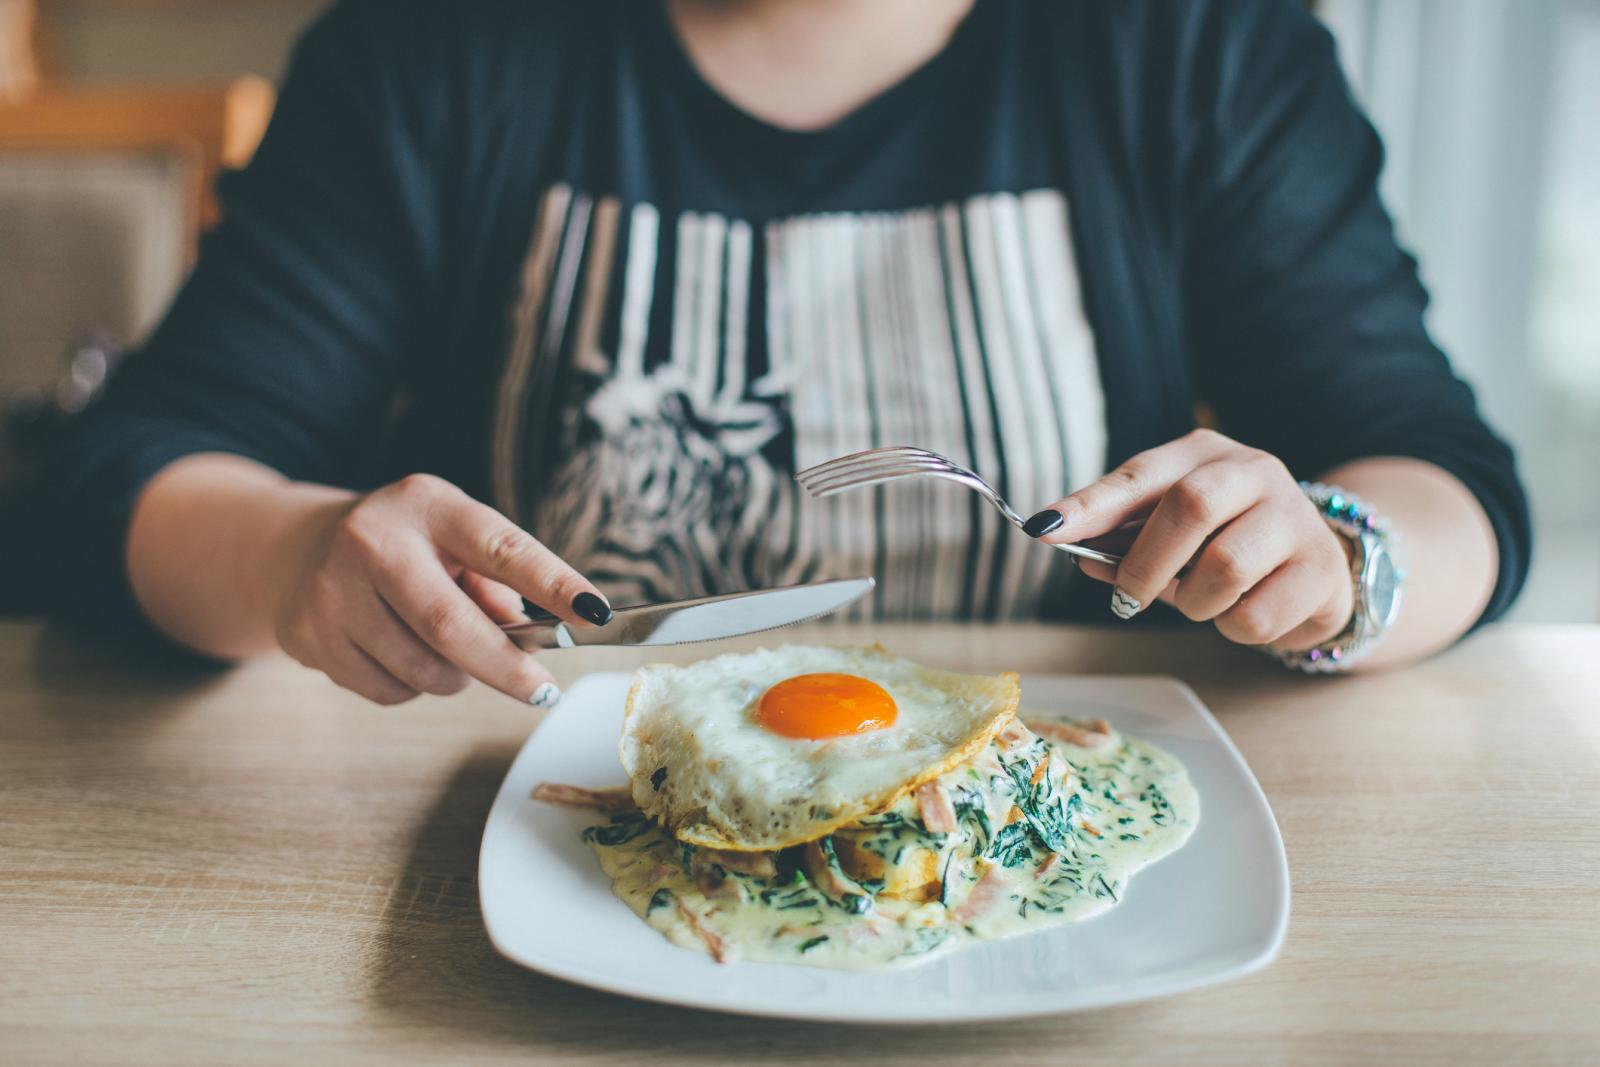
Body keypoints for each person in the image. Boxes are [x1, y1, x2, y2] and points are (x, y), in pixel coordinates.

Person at [48, 0, 1529, 707]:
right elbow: (127, 473)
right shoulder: (429, 50)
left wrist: (1341, 560)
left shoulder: (1193, 40)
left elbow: (1436, 468)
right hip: (545, 839)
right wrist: (301, 555)